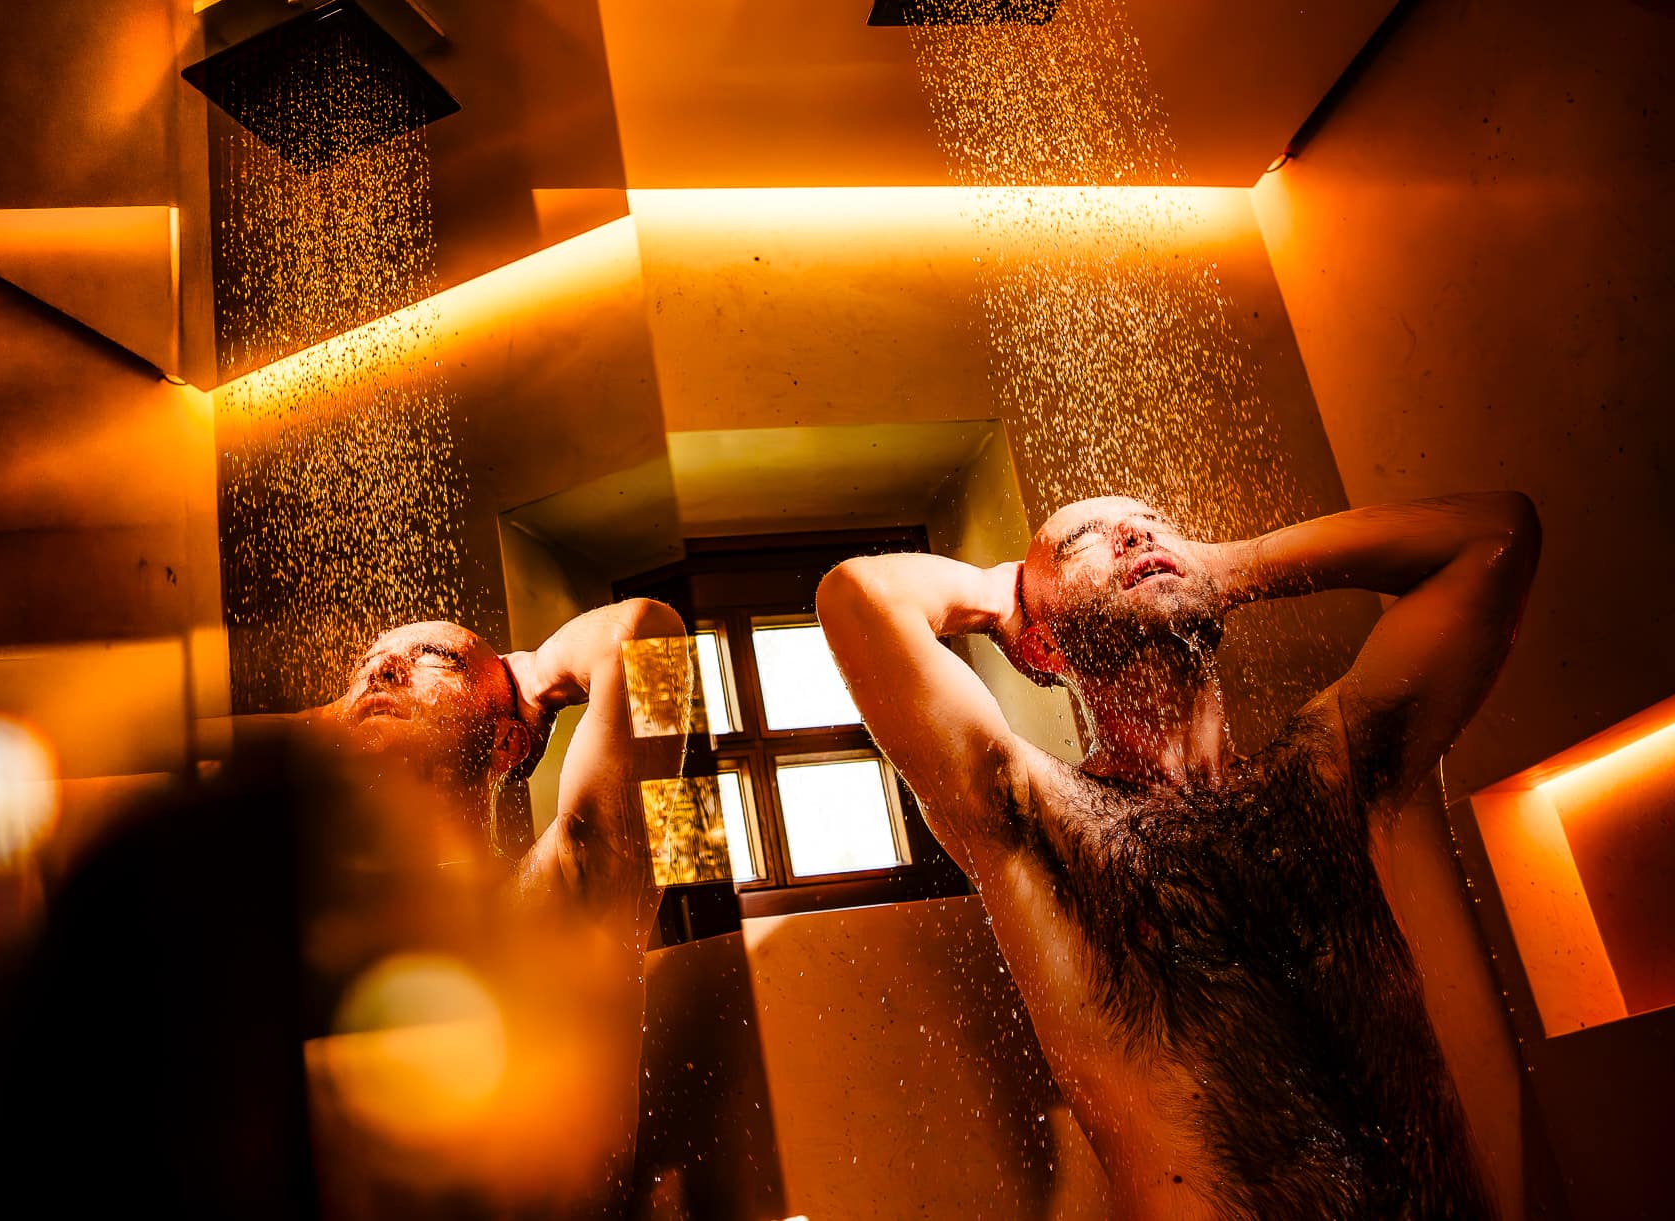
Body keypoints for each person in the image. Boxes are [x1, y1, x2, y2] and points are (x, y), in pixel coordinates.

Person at [817, 492, 1539, 1220]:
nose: (1136, 534)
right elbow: (860, 595)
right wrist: (1001, 595)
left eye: (1155, 523)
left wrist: (1227, 568)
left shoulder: (1331, 771)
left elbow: (1492, 535)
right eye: (1083, 541)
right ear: (1042, 649)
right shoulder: (1035, 823)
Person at [300, 599, 689, 947]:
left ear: (506, 744)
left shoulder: (556, 900)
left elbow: (647, 636)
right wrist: (335, 718)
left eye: (433, 657)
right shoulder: (314, 916)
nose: (380, 670)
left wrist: (534, 677)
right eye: (364, 667)